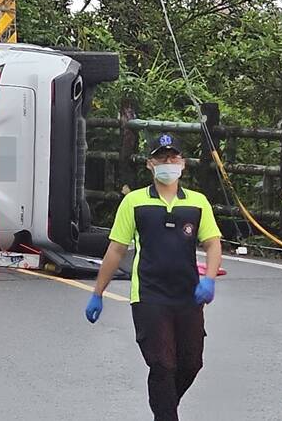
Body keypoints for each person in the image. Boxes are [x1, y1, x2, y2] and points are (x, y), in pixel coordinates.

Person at [84, 133, 223, 421]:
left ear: (183, 163)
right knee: (161, 364)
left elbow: (212, 243)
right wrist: (98, 292)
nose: (168, 163)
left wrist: (208, 278)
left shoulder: (197, 203)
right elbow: (115, 250)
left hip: (188, 296)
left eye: (173, 158)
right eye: (161, 158)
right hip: (149, 295)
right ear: (150, 164)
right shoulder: (134, 202)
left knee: (190, 364)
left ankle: (165, 409)